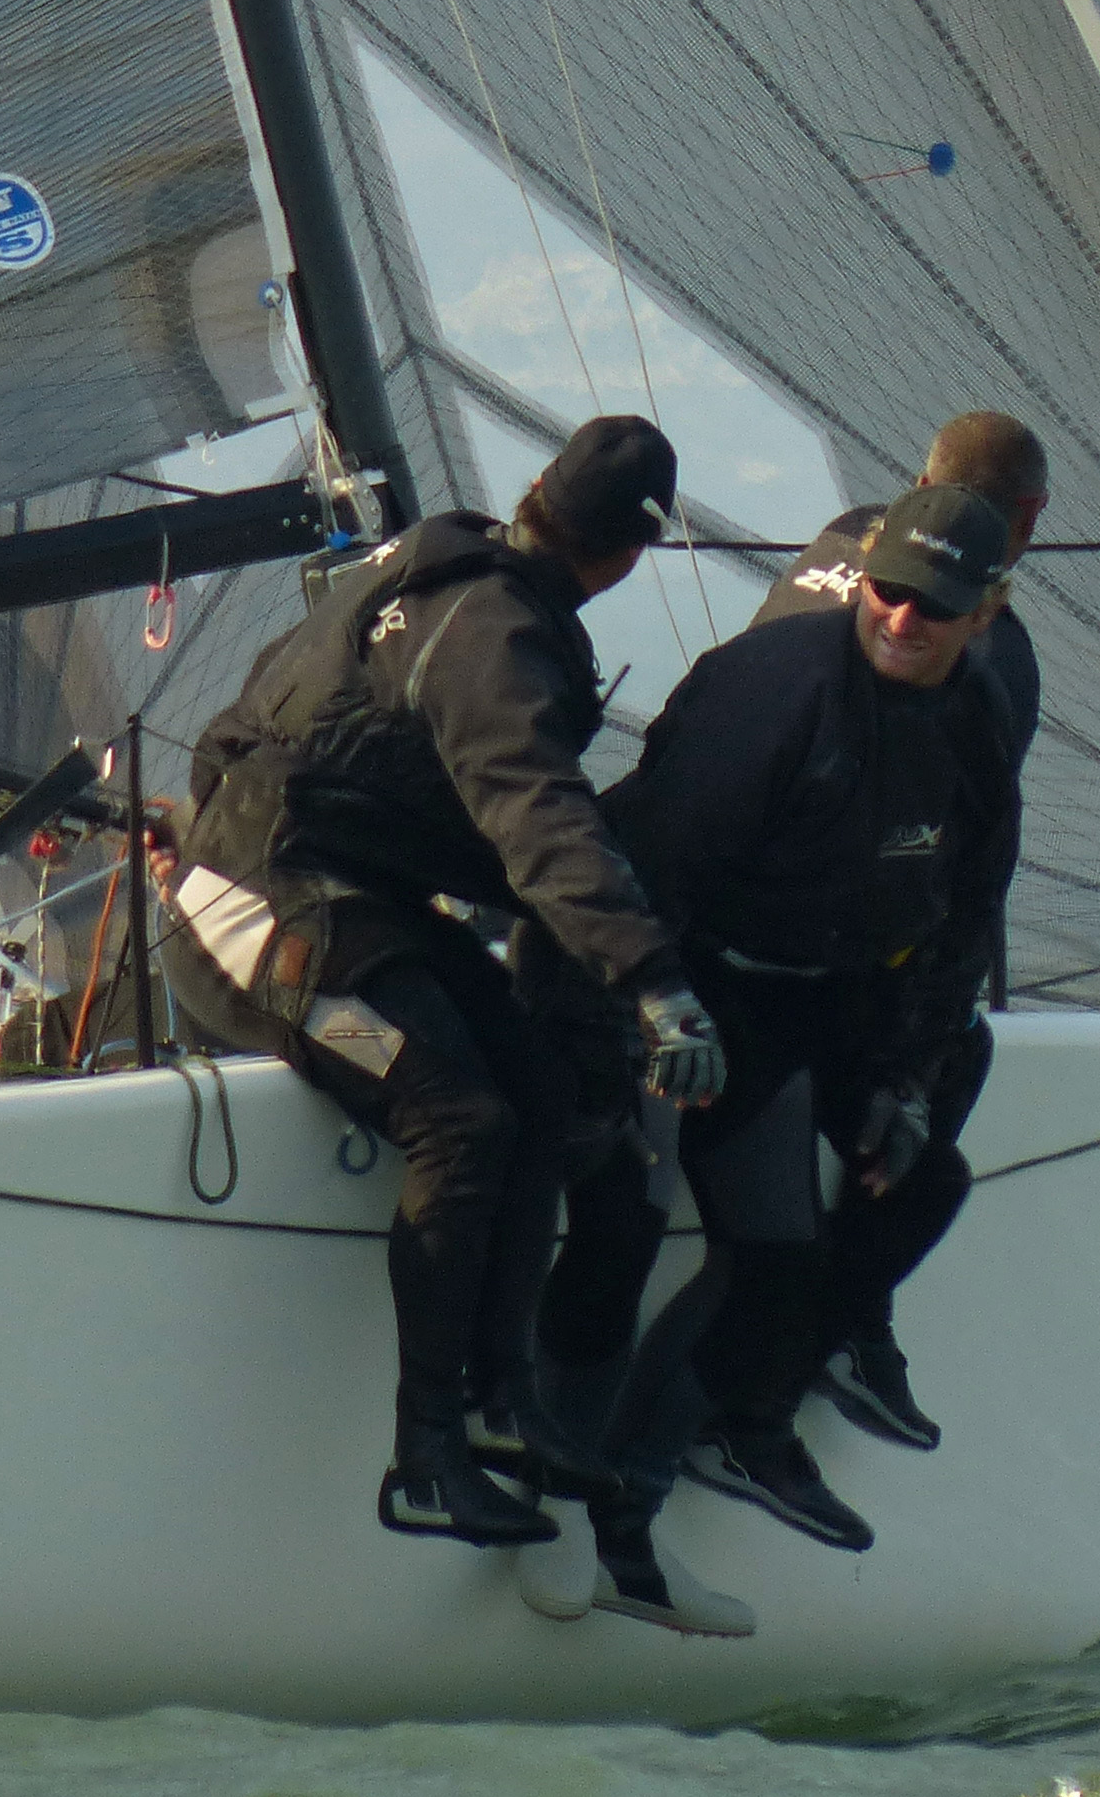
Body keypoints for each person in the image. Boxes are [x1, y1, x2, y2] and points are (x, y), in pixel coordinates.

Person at [165, 417, 725, 1550]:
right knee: (459, 1118)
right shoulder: (494, 633)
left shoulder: (440, 566)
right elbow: (537, 815)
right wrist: (655, 981)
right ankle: (424, 1455)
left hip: (342, 900)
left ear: (535, 492)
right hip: (250, 913)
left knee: (537, 1088)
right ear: (629, 554)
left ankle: (502, 1405)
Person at [527, 486, 1017, 1626]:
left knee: (920, 1185)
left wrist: (905, 1080)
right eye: (887, 590)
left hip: (823, 991)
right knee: (728, 1241)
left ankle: (735, 1422)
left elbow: (964, 915)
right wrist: (654, 1010)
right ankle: (598, 1511)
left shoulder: (975, 716)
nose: (902, 618)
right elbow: (638, 867)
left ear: (987, 611)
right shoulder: (775, 691)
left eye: (935, 606)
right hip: (682, 980)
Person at [753, 413, 1046, 1452]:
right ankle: (847, 1323)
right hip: (803, 952)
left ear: (921, 479)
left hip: (719, 898)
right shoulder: (991, 651)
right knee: (954, 1051)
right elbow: (959, 869)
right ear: (1029, 521)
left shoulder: (840, 540)